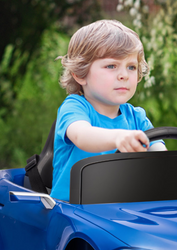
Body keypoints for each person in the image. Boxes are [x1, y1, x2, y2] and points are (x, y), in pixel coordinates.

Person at [50, 20, 166, 201]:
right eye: (111, 66)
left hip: (120, 207)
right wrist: (118, 138)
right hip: (71, 209)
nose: (124, 75)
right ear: (80, 74)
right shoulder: (75, 107)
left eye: (131, 67)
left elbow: (162, 159)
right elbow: (82, 135)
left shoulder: (137, 117)